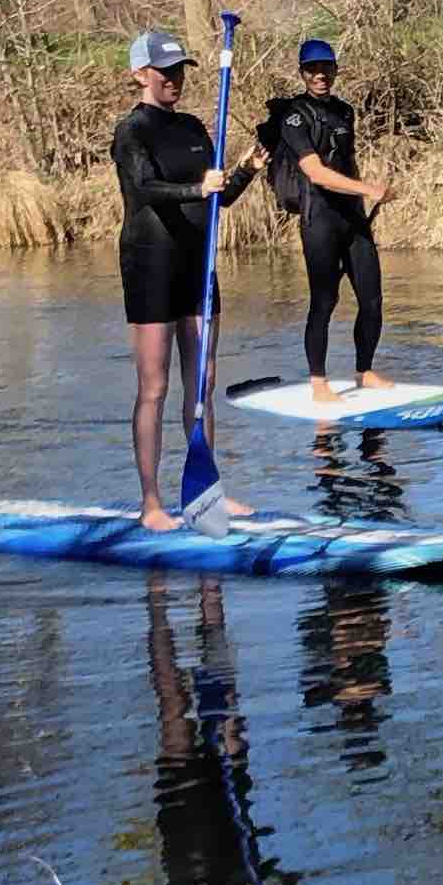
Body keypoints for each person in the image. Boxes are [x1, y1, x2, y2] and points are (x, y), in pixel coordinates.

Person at [114, 29, 267, 529]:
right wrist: (198, 187)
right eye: (165, 71)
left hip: (196, 265)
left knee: (200, 384)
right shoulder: (132, 130)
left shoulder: (196, 128)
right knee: (154, 387)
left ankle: (207, 493)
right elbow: (145, 188)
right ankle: (152, 503)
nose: (175, 79)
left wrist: (243, 172)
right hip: (150, 264)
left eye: (180, 70)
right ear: (141, 74)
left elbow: (214, 195)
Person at [272, 37, 390, 405]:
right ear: (302, 72)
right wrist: (367, 188)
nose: (320, 75)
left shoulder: (345, 111)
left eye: (326, 68)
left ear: (336, 69)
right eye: (313, 69)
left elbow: (346, 161)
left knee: (371, 299)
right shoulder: (293, 116)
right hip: (318, 218)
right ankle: (319, 381)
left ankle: (364, 370)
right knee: (324, 300)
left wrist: (363, 194)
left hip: (352, 219)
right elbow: (316, 173)